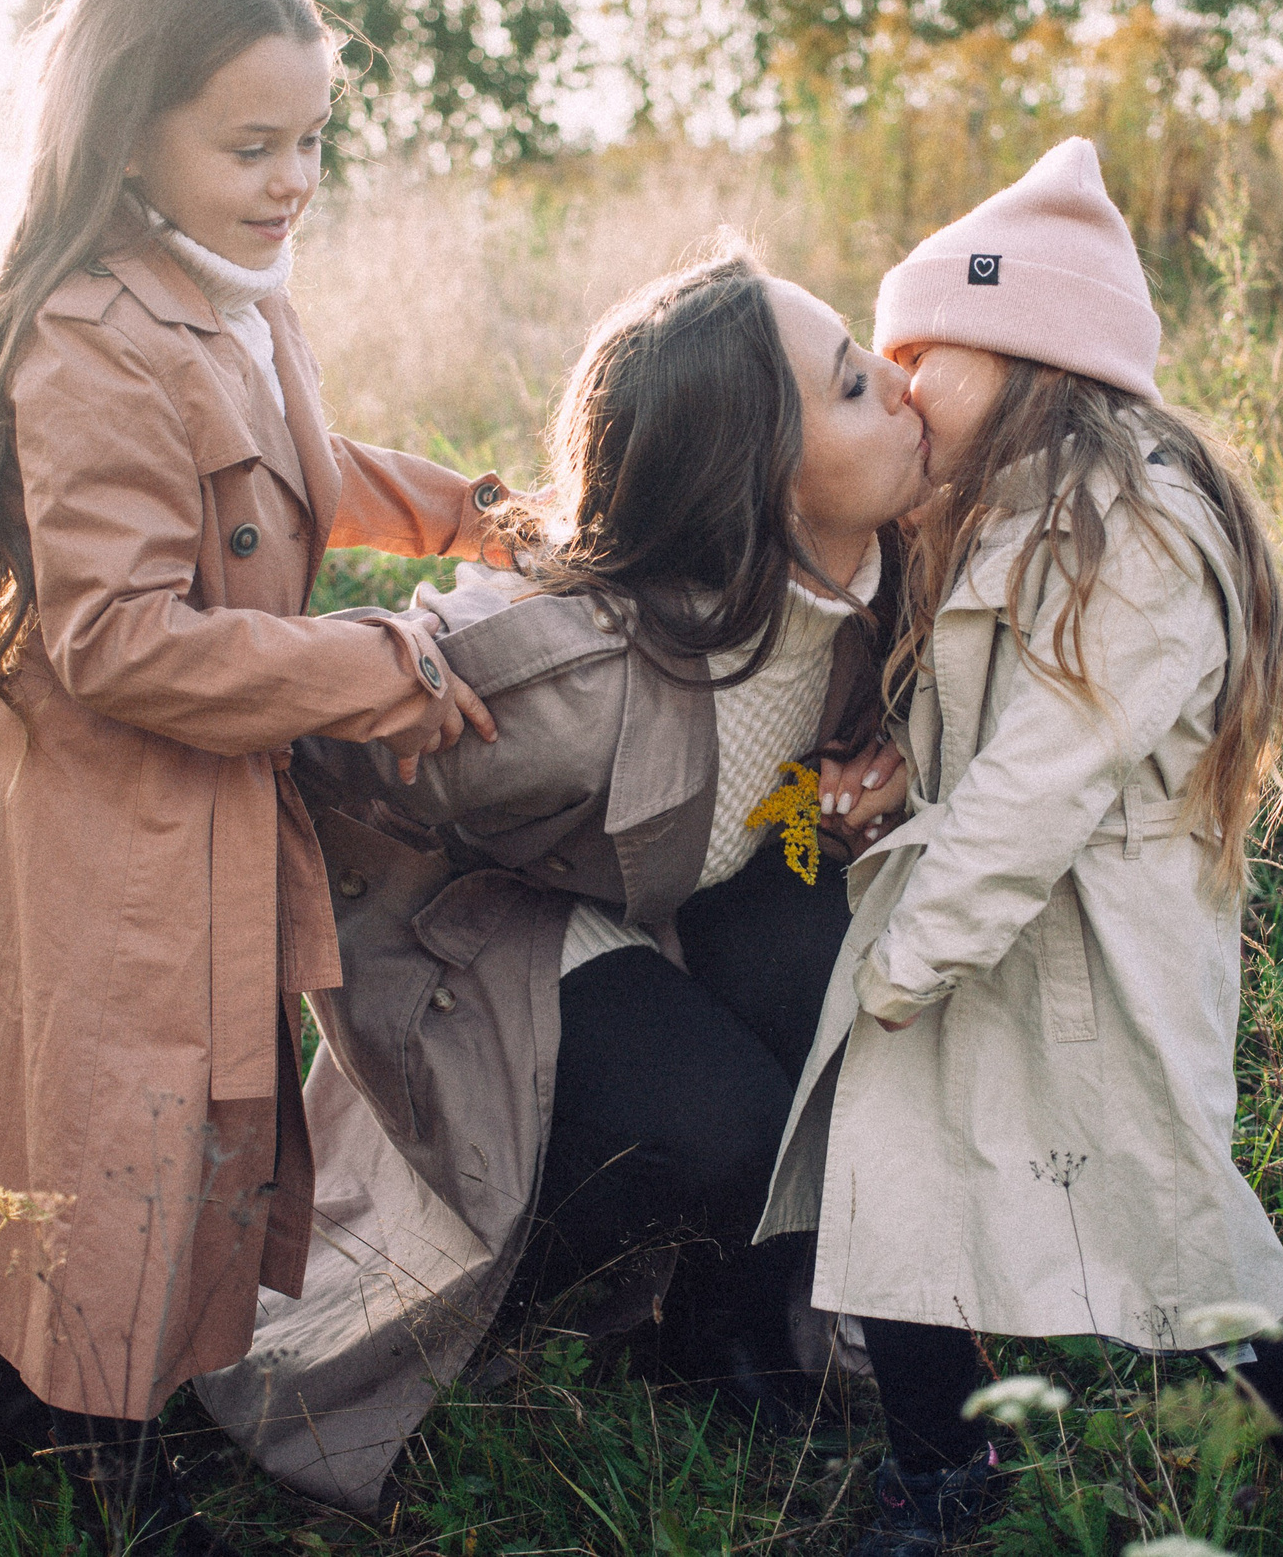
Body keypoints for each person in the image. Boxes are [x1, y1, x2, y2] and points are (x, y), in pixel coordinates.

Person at [0, 0, 507, 1552]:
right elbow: (112, 639)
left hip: (210, 790)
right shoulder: (93, 332)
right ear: (125, 133)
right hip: (121, 804)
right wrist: (372, 658)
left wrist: (470, 516)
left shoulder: (233, 294)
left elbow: (300, 465)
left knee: (192, 1098)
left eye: (312, 139)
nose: (291, 176)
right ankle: (111, 1468)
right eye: (251, 144)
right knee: (129, 1117)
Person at [191, 243, 931, 1511]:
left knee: (838, 981)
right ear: (760, 480)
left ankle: (729, 1322)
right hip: (493, 931)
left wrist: (893, 763)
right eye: (856, 386)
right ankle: (523, 1257)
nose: (904, 390)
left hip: (679, 877)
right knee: (721, 1121)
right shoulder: (554, 678)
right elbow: (302, 742)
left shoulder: (879, 575)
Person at [757, 138, 1283, 1555]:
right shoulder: (993, 512)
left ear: (1034, 354)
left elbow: (1046, 782)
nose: (903, 379)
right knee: (898, 1180)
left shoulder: (1141, 530)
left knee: (1170, 1212)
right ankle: (946, 1468)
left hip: (1089, 952)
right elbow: (981, 743)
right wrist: (890, 774)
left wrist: (906, 953)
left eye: (931, 346)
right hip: (985, 916)